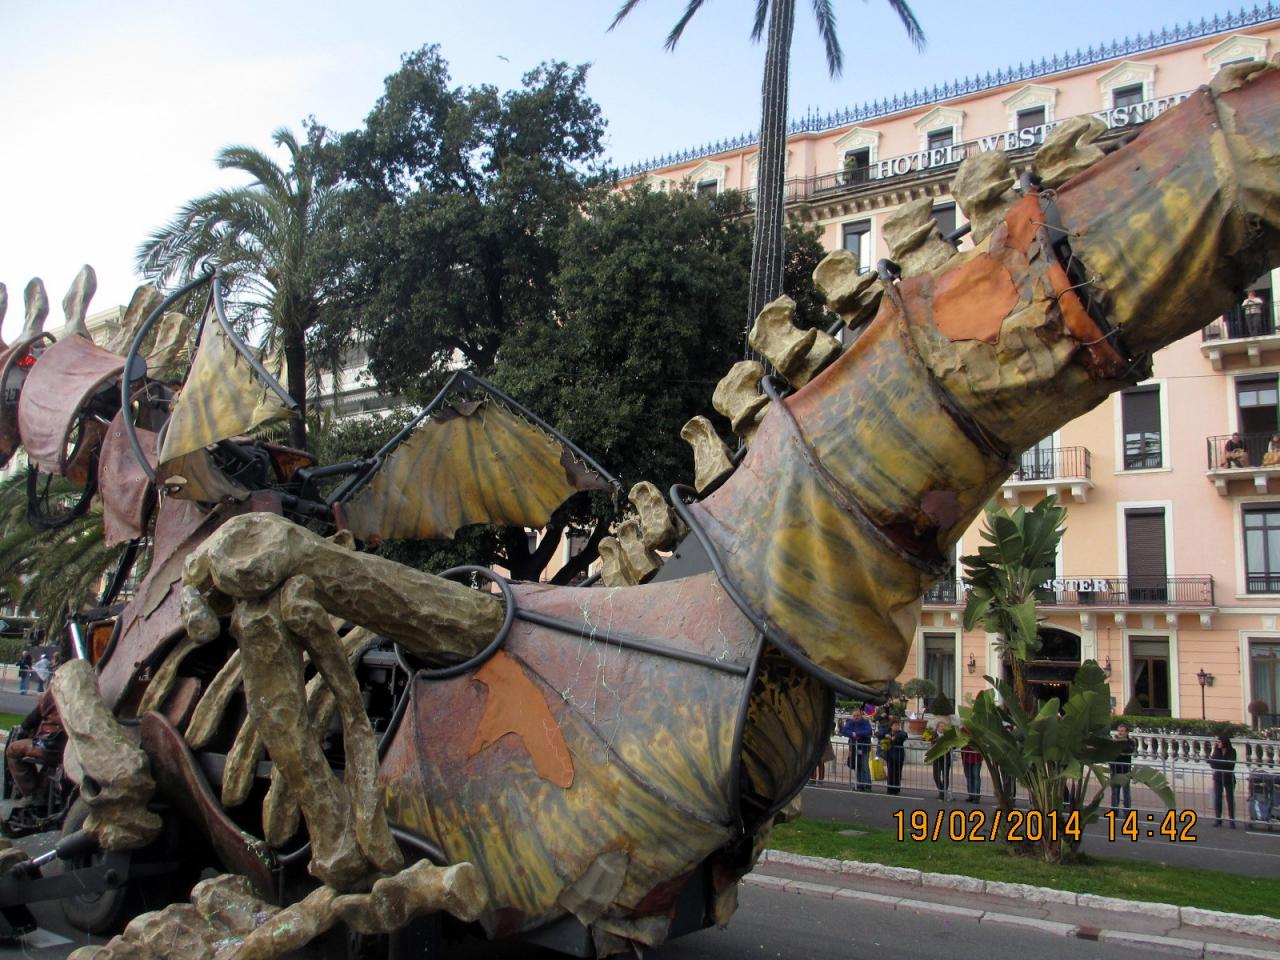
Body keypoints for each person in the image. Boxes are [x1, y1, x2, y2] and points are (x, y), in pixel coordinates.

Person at [5, 683, 63, 798]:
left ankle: (32, 794)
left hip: (49, 744)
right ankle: (43, 789)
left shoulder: (57, 689)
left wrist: (24, 726)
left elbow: (31, 719)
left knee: (12, 749)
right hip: (68, 746)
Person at [840, 711, 873, 792]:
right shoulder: (850, 722)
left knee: (864, 766)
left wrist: (857, 733)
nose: (856, 717)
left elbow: (869, 731)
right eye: (854, 715)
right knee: (857, 766)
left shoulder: (865, 722)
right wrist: (852, 734)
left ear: (861, 716)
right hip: (855, 747)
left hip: (864, 747)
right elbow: (844, 731)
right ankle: (859, 784)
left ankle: (867, 784)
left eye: (857, 715)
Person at [1209, 733, 1237, 828]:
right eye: (1217, 742)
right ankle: (1218, 819)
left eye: (1219, 741)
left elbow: (1230, 765)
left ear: (1224, 742)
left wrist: (1218, 763)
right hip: (1218, 778)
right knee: (1218, 798)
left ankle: (1232, 820)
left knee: (1230, 799)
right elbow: (1213, 764)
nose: (1218, 743)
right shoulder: (1216, 751)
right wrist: (1218, 763)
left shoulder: (1232, 751)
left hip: (1229, 778)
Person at [1109, 723, 1133, 812]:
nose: (1120, 733)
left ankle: (1127, 810)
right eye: (1119, 731)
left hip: (1125, 770)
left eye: (1122, 731)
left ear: (1126, 732)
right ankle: (1114, 810)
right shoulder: (1114, 741)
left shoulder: (1130, 742)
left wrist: (1121, 742)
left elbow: (1128, 749)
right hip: (1115, 769)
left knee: (1126, 791)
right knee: (1115, 791)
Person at [881, 720, 908, 795]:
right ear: (891, 726)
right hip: (890, 755)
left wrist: (895, 737)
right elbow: (878, 733)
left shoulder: (901, 733)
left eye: (898, 725)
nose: (897, 727)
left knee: (898, 772)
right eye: (895, 725)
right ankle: (890, 788)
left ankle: (896, 788)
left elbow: (904, 735)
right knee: (890, 771)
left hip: (899, 755)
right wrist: (886, 735)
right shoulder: (887, 731)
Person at [931, 719, 953, 800]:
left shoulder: (948, 736)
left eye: (944, 726)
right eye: (940, 726)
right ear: (937, 727)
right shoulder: (933, 735)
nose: (942, 728)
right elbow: (931, 743)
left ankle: (943, 793)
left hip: (945, 758)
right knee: (936, 776)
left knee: (945, 776)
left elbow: (953, 746)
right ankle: (941, 791)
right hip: (937, 758)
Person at [960, 732, 983, 803]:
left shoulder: (977, 731)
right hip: (966, 757)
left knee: (976, 777)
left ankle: (976, 796)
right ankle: (971, 795)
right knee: (969, 777)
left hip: (976, 758)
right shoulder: (962, 730)